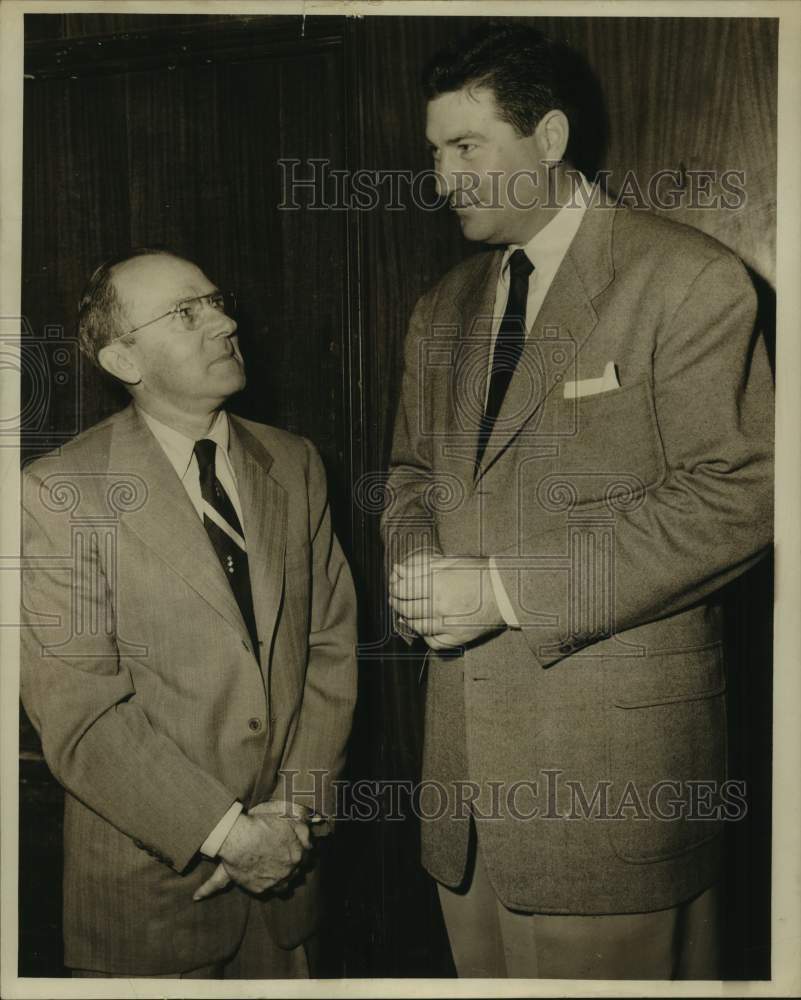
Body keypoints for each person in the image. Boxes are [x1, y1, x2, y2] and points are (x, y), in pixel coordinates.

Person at [383, 24, 773, 979]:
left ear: (549, 138)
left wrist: (505, 590)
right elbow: (408, 475)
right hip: (463, 794)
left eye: (466, 147)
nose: (442, 178)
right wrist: (414, 560)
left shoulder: (686, 277)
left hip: (614, 784)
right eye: (434, 152)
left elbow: (742, 496)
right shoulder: (440, 305)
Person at [20, 249, 357, 978]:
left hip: (288, 885)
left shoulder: (294, 463)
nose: (225, 323)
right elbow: (81, 713)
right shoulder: (60, 492)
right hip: (153, 904)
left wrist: (291, 815)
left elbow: (330, 647)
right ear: (123, 359)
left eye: (216, 301)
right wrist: (229, 834)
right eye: (186, 312)